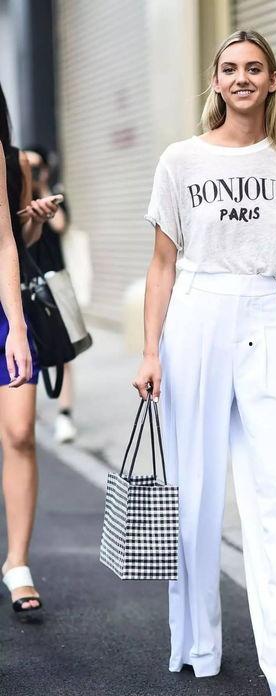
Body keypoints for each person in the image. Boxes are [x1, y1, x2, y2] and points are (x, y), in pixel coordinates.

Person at [133, 30, 276, 696]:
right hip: (196, 315)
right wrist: (150, 350)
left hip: (266, 317)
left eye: (254, 68)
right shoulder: (181, 159)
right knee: (194, 493)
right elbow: (162, 265)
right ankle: (199, 645)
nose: (242, 77)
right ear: (216, 82)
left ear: (273, 80)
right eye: (230, 68)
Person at [0, 82, 60, 614]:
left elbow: (11, 243)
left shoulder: (10, 158)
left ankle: (17, 562)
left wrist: (33, 222)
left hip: (5, 308)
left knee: (20, 431)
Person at [24, 145, 77, 444]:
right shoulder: (17, 199)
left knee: (63, 351)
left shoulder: (55, 195)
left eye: (37, 167)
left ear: (45, 169)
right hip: (27, 285)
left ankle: (65, 414)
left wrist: (43, 190)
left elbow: (61, 225)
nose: (32, 172)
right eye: (27, 167)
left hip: (55, 280)